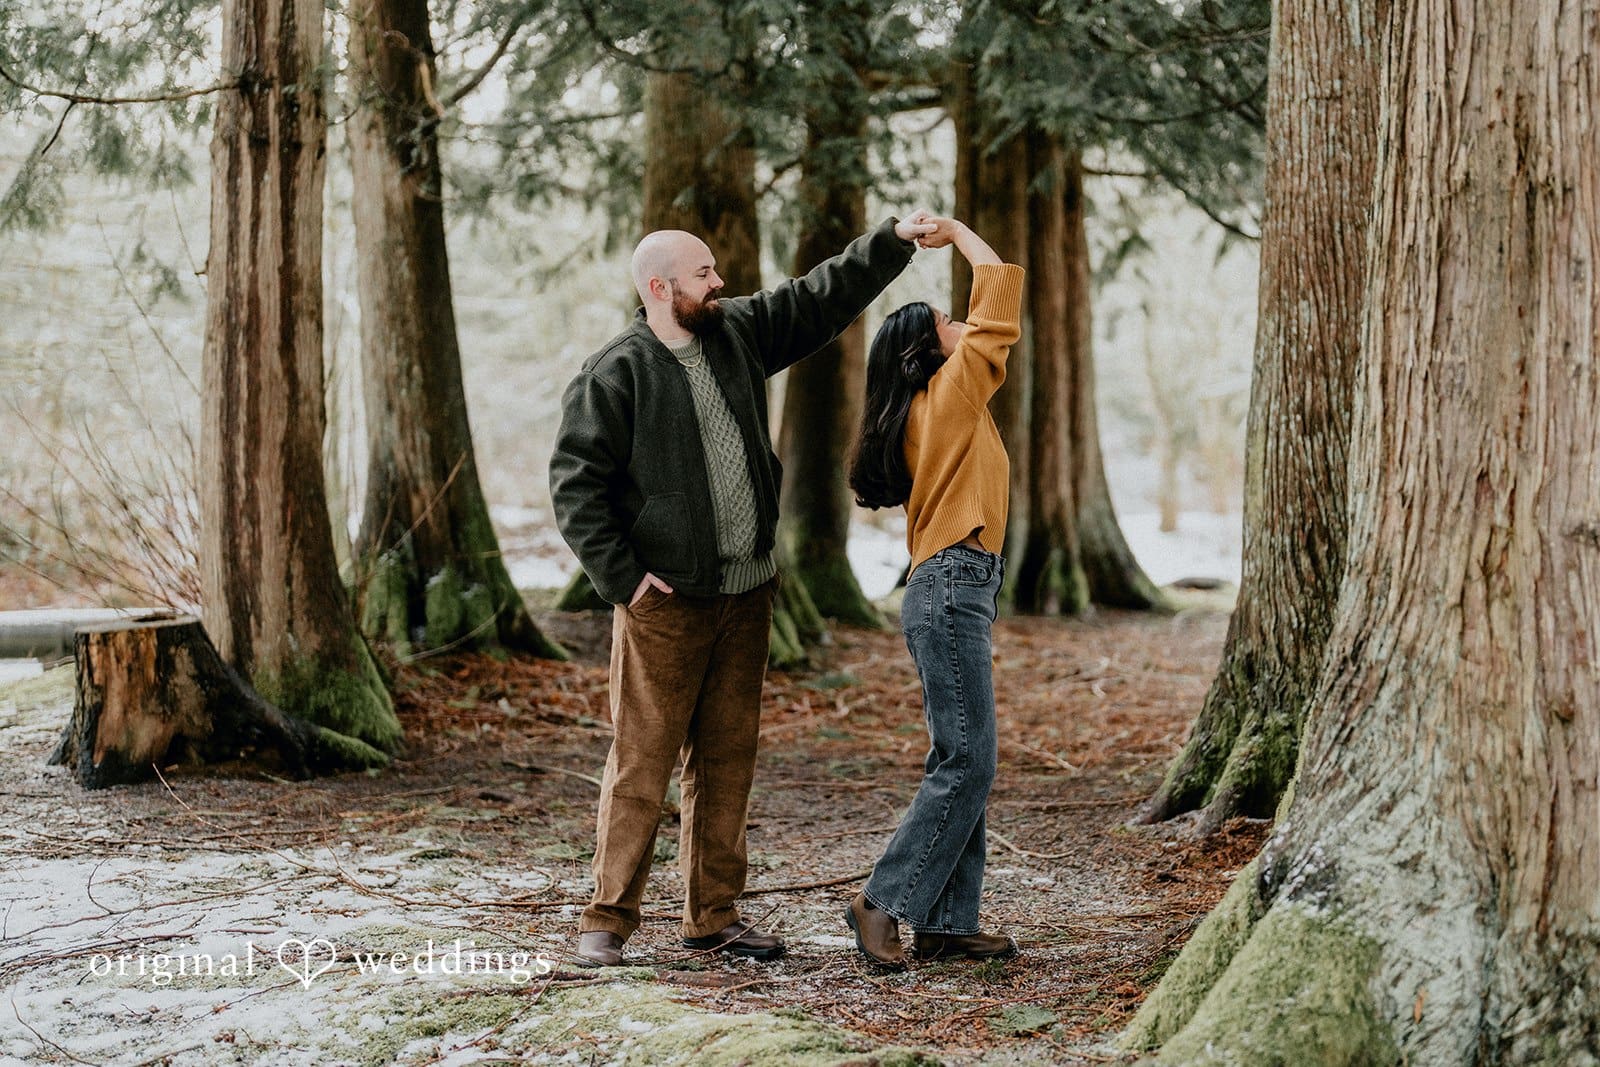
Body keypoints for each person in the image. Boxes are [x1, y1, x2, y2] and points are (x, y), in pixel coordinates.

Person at [549, 211, 939, 968]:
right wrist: (627, 579)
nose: (719, 282)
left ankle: (713, 916)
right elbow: (574, 487)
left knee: (728, 760)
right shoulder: (616, 371)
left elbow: (816, 297)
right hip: (665, 604)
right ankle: (606, 919)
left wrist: (892, 241)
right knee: (641, 760)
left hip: (747, 594)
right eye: (703, 273)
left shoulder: (734, 333)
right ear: (661, 288)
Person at [843, 217, 1025, 970]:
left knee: (964, 753)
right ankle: (881, 902)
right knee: (968, 760)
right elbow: (1001, 297)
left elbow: (986, 314)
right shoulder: (948, 397)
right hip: (952, 584)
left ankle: (948, 924)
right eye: (946, 323)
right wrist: (959, 234)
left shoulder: (929, 411)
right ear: (929, 350)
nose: (960, 325)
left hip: (949, 586)